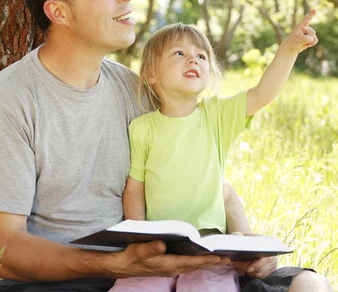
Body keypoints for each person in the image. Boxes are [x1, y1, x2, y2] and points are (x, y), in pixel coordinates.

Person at [0, 0, 333, 291]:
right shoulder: (7, 104)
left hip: (146, 271)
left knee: (309, 285)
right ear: (58, 11)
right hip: (53, 280)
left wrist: (244, 239)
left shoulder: (134, 90)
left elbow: (202, 176)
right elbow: (4, 251)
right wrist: (114, 264)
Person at [110, 16, 318, 292]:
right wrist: (139, 240)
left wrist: (289, 49)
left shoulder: (216, 116)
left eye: (201, 56)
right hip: (159, 248)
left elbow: (263, 93)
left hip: (210, 249)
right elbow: (135, 189)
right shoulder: (143, 128)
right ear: (151, 74)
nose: (193, 60)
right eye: (179, 54)